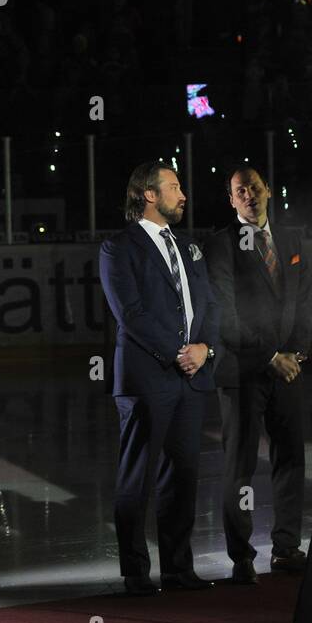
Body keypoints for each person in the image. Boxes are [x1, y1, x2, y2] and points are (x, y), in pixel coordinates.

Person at [99, 161, 221, 596]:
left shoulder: (189, 247)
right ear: (149, 195)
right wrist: (176, 351)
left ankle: (177, 568)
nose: (183, 194)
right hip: (147, 377)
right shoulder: (119, 248)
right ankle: (136, 571)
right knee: (139, 476)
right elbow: (130, 314)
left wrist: (205, 349)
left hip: (191, 377)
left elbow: (209, 306)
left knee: (183, 475)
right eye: (173, 187)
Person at [205, 164, 312, 584]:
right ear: (232, 200)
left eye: (254, 187)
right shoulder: (221, 245)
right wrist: (271, 355)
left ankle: (287, 548)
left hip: (288, 371)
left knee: (291, 459)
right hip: (243, 374)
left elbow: (307, 302)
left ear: (267, 190)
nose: (248, 195)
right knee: (241, 466)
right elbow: (225, 315)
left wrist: (296, 355)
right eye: (240, 191)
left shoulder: (291, 241)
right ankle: (242, 556)